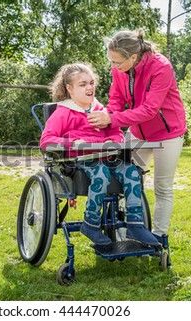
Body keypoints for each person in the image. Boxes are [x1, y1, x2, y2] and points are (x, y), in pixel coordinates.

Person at [40, 62, 158, 246]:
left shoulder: (100, 110)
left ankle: (135, 225)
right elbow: (46, 140)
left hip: (107, 157)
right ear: (69, 89)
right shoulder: (63, 112)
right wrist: (73, 144)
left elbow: (115, 132)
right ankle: (91, 223)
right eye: (83, 84)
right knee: (101, 173)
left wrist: (114, 142)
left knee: (132, 172)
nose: (89, 88)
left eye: (91, 83)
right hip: (78, 161)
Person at [88, 29, 187, 240]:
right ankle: (126, 232)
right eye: (111, 61)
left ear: (133, 56)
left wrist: (113, 120)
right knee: (126, 180)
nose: (113, 67)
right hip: (137, 132)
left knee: (162, 187)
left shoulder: (161, 67)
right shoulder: (119, 69)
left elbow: (150, 109)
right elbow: (115, 99)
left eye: (117, 62)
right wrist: (107, 116)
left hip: (168, 133)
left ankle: (158, 236)